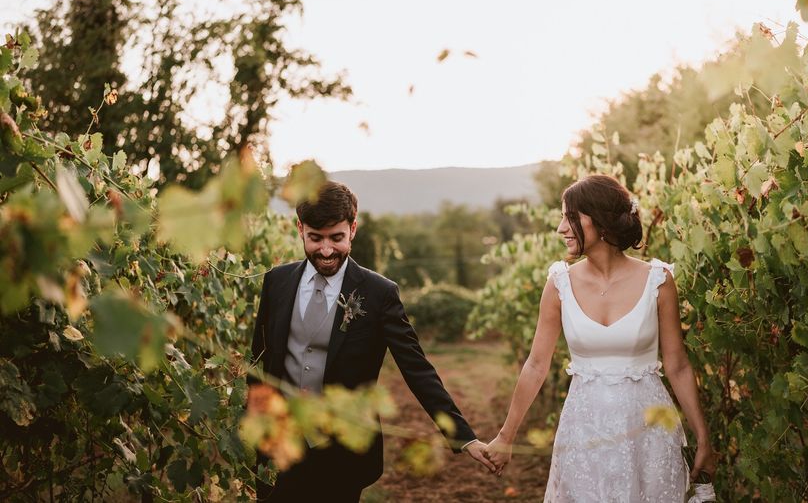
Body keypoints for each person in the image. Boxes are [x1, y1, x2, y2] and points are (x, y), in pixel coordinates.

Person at [247, 181, 494, 502]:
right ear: (300, 229)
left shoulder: (379, 293)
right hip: (279, 443)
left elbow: (416, 367)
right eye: (315, 238)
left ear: (353, 229)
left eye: (336, 238)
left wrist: (464, 437)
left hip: (345, 450)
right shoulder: (276, 281)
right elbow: (259, 361)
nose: (325, 250)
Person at [484, 174, 716, 502]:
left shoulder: (659, 281)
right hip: (583, 434)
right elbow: (536, 365)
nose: (561, 229)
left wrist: (703, 439)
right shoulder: (559, 284)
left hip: (649, 433)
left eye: (571, 217)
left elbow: (677, 365)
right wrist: (506, 437)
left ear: (601, 221)